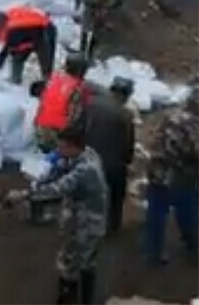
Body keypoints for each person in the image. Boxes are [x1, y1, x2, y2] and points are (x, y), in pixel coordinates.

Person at [11, 126, 108, 304]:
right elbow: (55, 174)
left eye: (62, 146)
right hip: (77, 214)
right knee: (74, 257)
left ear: (73, 147)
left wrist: (26, 195)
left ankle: (74, 298)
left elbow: (59, 187)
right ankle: (71, 295)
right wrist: (39, 182)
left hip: (89, 220)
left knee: (79, 260)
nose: (58, 150)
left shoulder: (87, 168)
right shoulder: (77, 156)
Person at [144, 86, 198, 266]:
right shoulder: (194, 126)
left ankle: (153, 253)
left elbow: (156, 139)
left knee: (156, 215)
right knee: (188, 213)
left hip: (157, 172)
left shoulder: (170, 117)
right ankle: (192, 244)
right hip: (179, 178)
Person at [81, 77, 135, 235]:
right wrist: (127, 159)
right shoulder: (125, 114)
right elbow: (128, 142)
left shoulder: (90, 104)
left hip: (88, 158)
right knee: (116, 196)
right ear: (126, 95)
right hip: (112, 165)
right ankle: (113, 226)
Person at [31, 55, 90, 153]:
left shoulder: (54, 80)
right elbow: (74, 119)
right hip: (58, 138)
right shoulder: (77, 89)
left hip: (39, 131)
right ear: (81, 71)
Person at [0, 5, 57, 84]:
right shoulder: (10, 26)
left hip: (45, 31)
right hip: (28, 35)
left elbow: (4, 52)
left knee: (45, 60)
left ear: (2, 24)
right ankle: (15, 81)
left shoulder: (13, 30)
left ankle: (48, 81)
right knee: (17, 55)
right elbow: (10, 49)